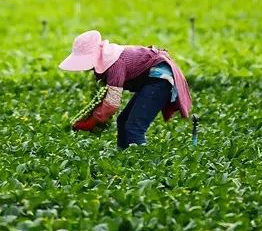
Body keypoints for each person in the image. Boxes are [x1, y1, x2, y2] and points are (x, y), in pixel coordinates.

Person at [59, 30, 192, 149]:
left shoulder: (115, 64)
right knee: (122, 121)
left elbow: (112, 103)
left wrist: (90, 122)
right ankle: (123, 155)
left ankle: (142, 161)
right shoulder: (108, 58)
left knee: (134, 128)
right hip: (151, 80)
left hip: (160, 80)